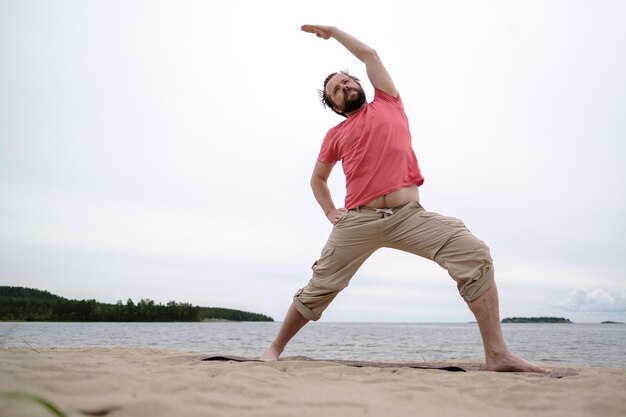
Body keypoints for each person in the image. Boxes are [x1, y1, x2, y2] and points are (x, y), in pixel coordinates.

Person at [261, 24, 548, 373]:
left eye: (347, 81)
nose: (345, 86)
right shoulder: (335, 134)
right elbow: (318, 179)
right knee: (321, 285)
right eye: (336, 89)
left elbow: (369, 55)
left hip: (409, 216)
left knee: (473, 252)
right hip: (359, 221)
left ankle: (498, 355)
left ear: (361, 85)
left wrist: (334, 33)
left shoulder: (388, 101)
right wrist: (330, 211)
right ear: (335, 105)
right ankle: (274, 348)